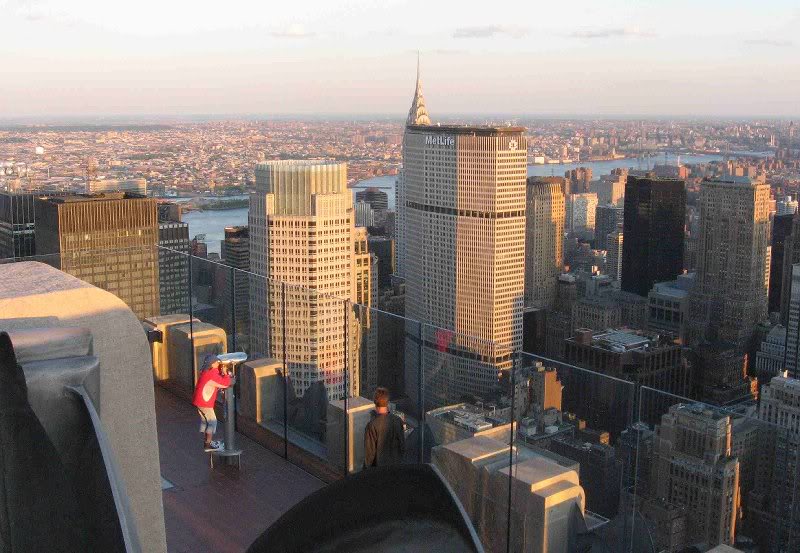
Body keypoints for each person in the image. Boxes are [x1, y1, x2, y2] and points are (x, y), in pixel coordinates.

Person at [192, 360, 232, 452]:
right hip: (204, 403)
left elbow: (216, 378)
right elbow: (225, 384)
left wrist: (221, 372)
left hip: (199, 401)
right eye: (217, 362)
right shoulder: (211, 375)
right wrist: (226, 374)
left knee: (206, 422)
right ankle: (208, 445)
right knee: (212, 422)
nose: (219, 364)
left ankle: (207, 442)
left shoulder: (206, 371)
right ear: (212, 364)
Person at [364, 387, 405, 467]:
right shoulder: (398, 420)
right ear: (387, 402)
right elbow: (402, 446)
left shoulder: (372, 425)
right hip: (396, 468)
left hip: (379, 472)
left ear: (375, 402)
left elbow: (369, 456)